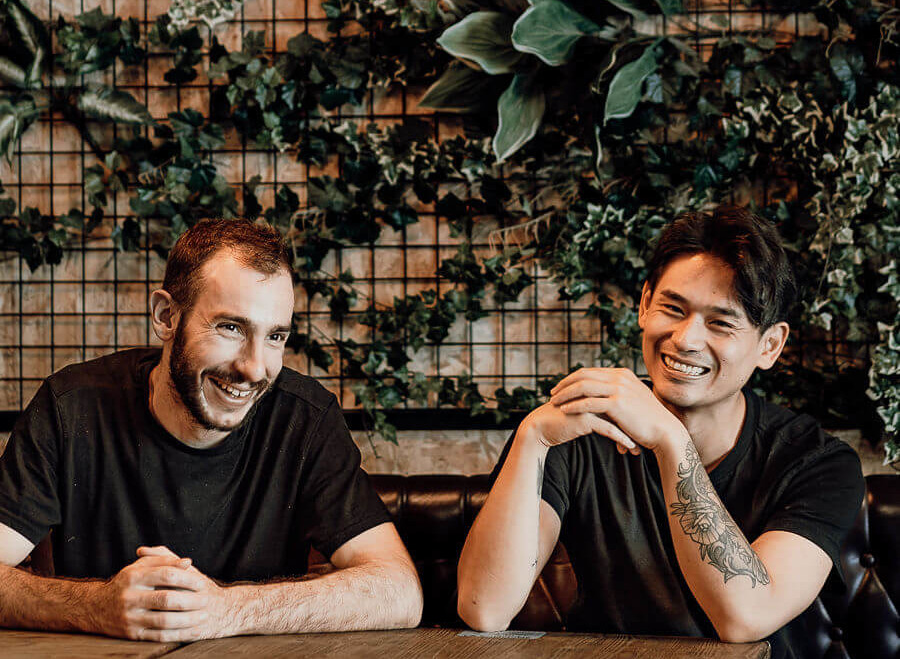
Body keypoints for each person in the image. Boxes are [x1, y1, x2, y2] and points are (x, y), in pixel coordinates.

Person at [457, 206, 864, 659]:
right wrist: (532, 436)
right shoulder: (578, 431)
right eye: (673, 308)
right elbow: (484, 609)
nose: (687, 338)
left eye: (721, 322)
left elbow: (744, 617)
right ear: (645, 304)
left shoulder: (818, 463)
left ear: (769, 345)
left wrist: (671, 442)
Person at [0, 218, 422, 641]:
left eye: (275, 336)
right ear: (166, 317)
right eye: (231, 328)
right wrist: (94, 607)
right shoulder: (71, 407)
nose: (254, 368)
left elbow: (400, 591)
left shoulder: (304, 419)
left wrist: (224, 610)